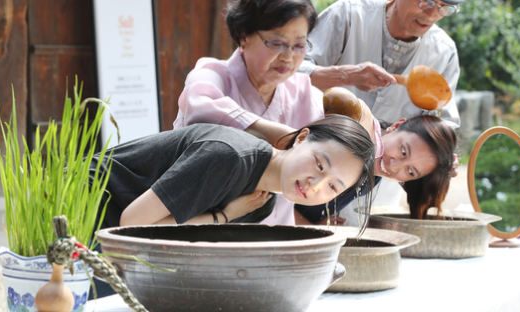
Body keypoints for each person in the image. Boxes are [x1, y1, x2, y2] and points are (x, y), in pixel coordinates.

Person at [173, 0, 323, 225]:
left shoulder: (303, 93)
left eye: (299, 45)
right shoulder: (214, 75)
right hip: (199, 235)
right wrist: (275, 134)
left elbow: (334, 139)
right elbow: (200, 106)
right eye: (277, 42)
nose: (288, 56)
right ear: (244, 36)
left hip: (277, 243)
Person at [90, 115, 375, 229]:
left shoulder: (261, 201)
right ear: (301, 138)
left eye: (333, 187)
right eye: (320, 164)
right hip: (73, 204)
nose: (316, 184)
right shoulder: (230, 157)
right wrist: (223, 217)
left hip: (105, 233)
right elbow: (132, 225)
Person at [295, 89, 457, 225]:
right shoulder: (347, 129)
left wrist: (317, 223)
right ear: (397, 126)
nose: (394, 166)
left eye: (411, 171)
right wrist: (308, 227)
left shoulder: (371, 176)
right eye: (403, 151)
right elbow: (279, 191)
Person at [300, 0, 464, 128]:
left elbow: (444, 121)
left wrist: (441, 149)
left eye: (445, 7)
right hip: (315, 141)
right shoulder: (349, 14)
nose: (432, 15)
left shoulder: (444, 52)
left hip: (386, 165)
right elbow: (291, 73)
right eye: (427, 2)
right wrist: (344, 76)